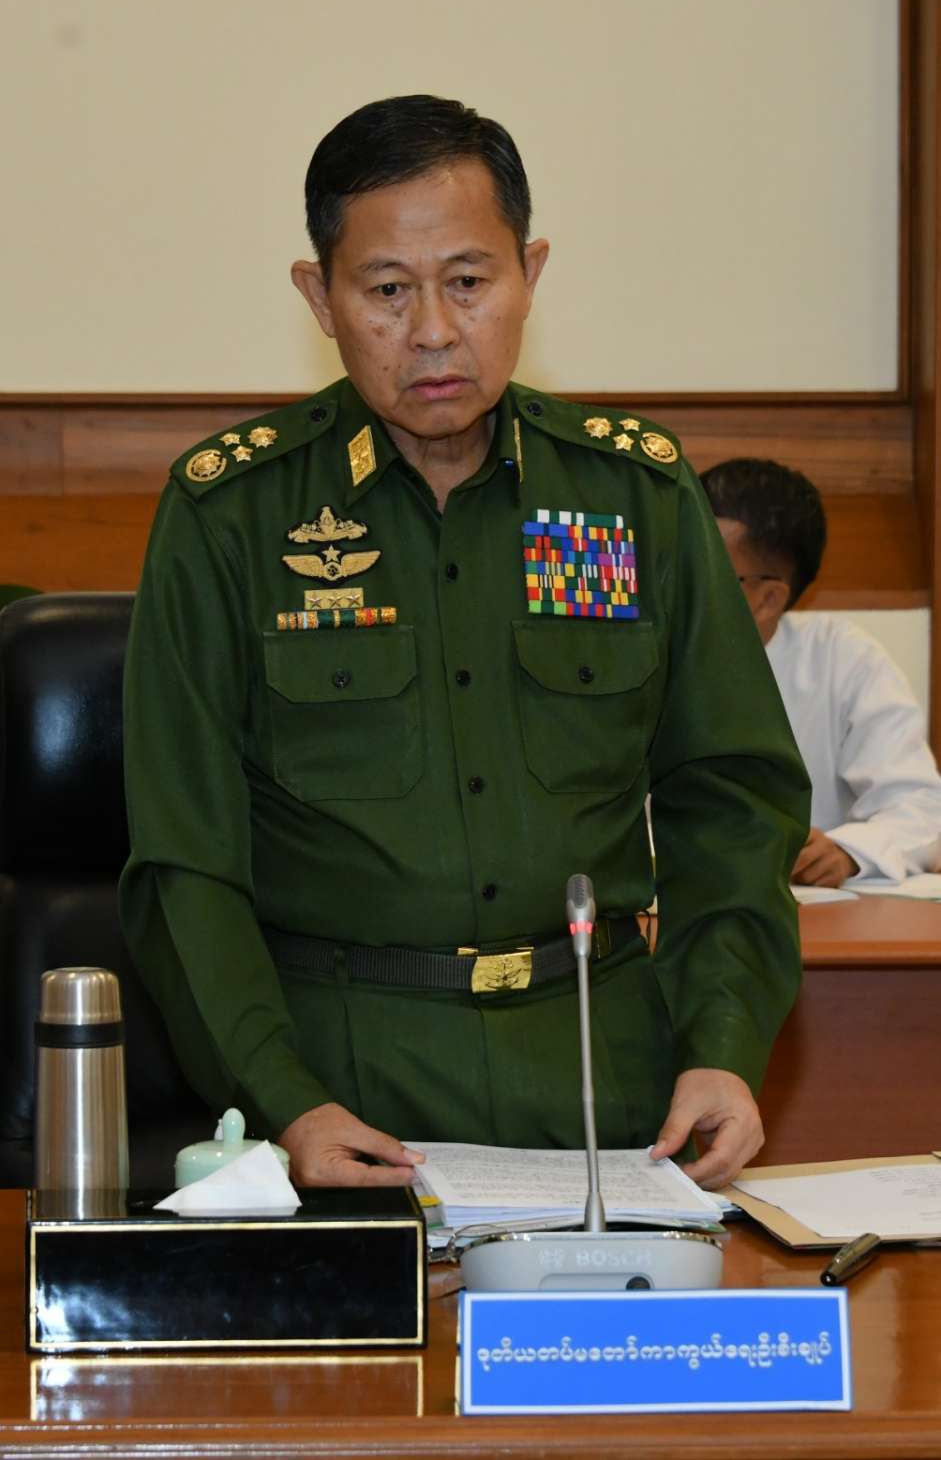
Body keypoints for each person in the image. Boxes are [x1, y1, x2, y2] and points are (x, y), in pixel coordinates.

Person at [119, 95, 808, 1193]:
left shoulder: (630, 493)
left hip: (604, 1085)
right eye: (388, 289)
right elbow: (183, 860)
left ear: (529, 274)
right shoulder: (232, 514)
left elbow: (730, 798)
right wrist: (285, 1099)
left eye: (470, 281)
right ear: (320, 298)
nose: (434, 330)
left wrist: (720, 1044)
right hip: (341, 1095)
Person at [701, 457, 941, 886]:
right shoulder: (627, 653)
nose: (676, 582)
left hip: (810, 913)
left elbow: (920, 808)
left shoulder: (844, 660)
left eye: (703, 569)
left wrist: (850, 851)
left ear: (768, 599)